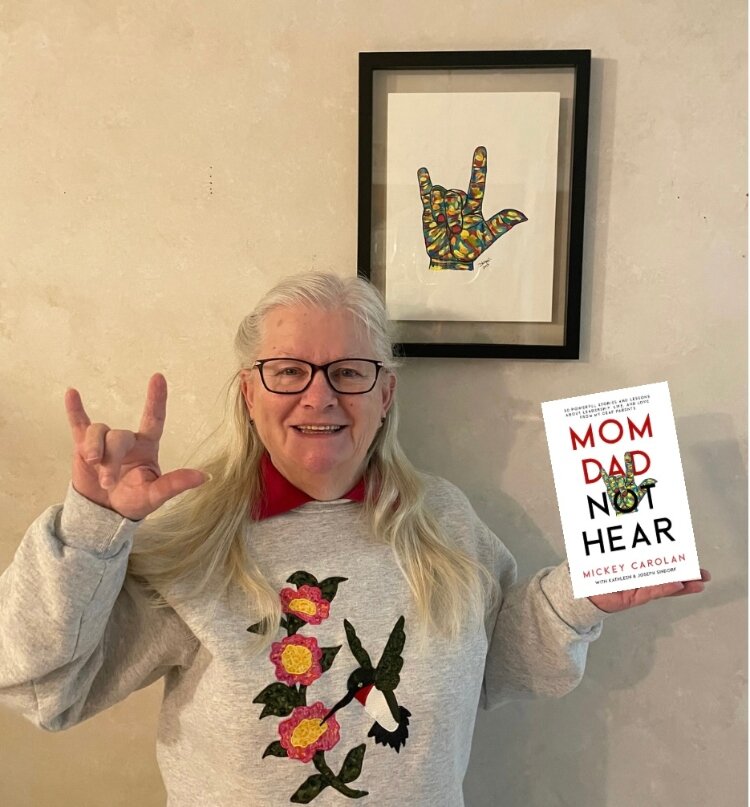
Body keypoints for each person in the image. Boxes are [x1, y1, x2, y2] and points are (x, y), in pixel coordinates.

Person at [0, 272, 709, 806]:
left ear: (385, 394)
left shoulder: (445, 518)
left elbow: (491, 668)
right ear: (250, 392)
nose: (319, 396)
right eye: (288, 370)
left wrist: (579, 597)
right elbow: (37, 687)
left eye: (349, 370)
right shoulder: (194, 537)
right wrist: (93, 527)